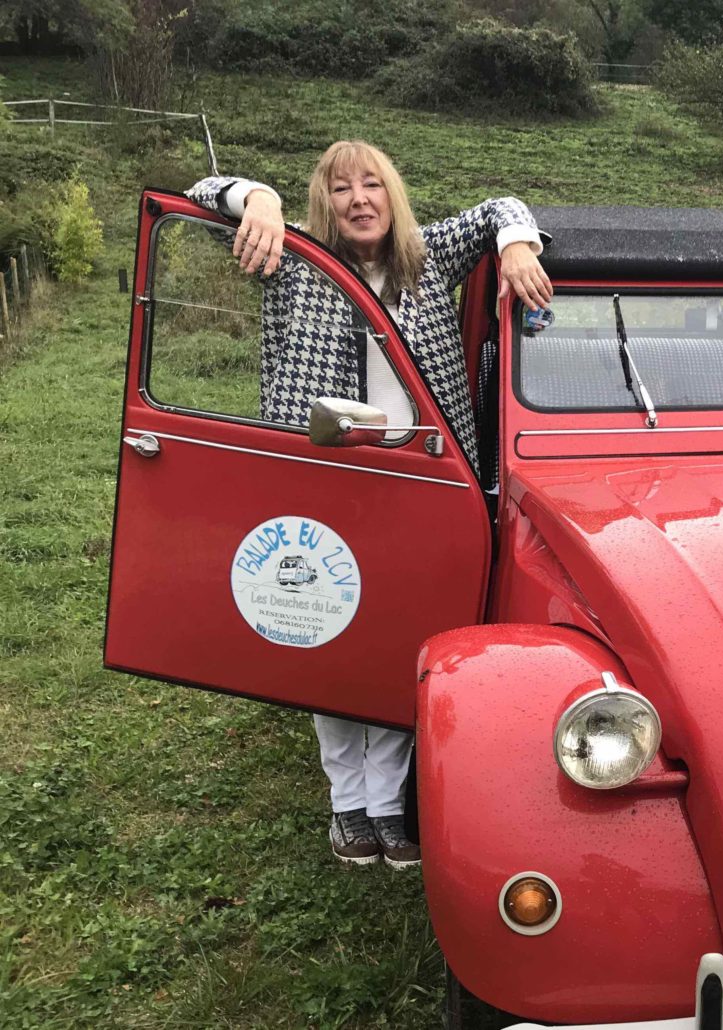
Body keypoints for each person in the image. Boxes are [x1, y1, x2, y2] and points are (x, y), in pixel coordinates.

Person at [187, 140, 553, 869]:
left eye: (372, 185)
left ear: (392, 194)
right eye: (342, 187)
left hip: (420, 479)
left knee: (401, 631)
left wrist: (516, 245)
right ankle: (345, 804)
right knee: (330, 630)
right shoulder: (290, 262)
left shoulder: (426, 262)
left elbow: (501, 208)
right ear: (325, 201)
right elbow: (197, 195)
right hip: (326, 481)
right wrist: (256, 196)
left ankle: (388, 805)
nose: (359, 199)